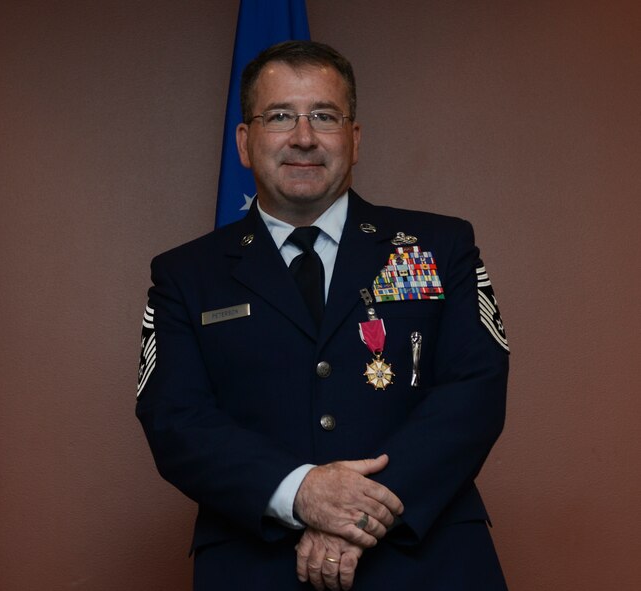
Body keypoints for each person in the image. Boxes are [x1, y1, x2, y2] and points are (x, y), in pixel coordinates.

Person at [136, 40, 509, 591]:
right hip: (257, 567)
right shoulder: (185, 275)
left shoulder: (439, 246)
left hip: (427, 560)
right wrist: (300, 493)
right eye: (280, 116)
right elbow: (175, 418)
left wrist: (356, 515)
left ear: (354, 139)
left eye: (325, 116)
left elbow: (474, 390)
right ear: (244, 141)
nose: (304, 137)